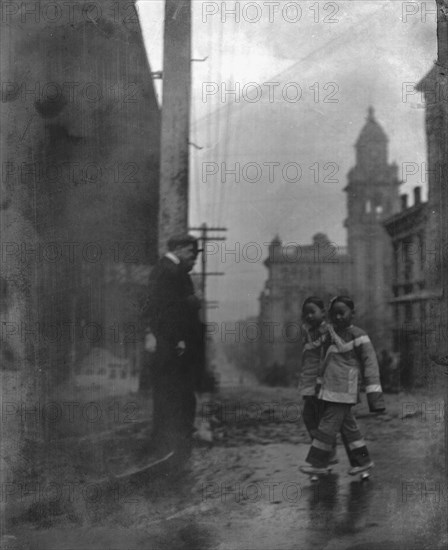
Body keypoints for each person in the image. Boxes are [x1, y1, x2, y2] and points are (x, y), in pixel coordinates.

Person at [300, 295, 385, 476]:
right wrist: (317, 383)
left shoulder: (359, 335)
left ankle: (319, 463)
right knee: (348, 428)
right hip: (330, 387)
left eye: (342, 313)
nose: (338, 317)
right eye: (334, 314)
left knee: (328, 424)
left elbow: (371, 364)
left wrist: (375, 397)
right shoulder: (330, 335)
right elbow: (323, 360)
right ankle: (363, 461)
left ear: (352, 314)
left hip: (345, 388)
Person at [143, 233, 203, 463]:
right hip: (172, 343)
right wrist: (178, 338)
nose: (194, 258)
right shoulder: (168, 271)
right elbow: (165, 309)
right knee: (172, 392)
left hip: (172, 342)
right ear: (178, 248)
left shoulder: (172, 270)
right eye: (191, 252)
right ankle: (169, 443)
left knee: (175, 393)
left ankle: (173, 440)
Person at [298, 296, 337, 463]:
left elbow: (326, 358)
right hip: (309, 381)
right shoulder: (309, 333)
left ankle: (324, 454)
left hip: (321, 382)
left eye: (312, 312)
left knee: (318, 417)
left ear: (323, 312)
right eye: (305, 313)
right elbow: (307, 359)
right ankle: (326, 450)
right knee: (309, 417)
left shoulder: (326, 332)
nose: (309, 316)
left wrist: (320, 381)